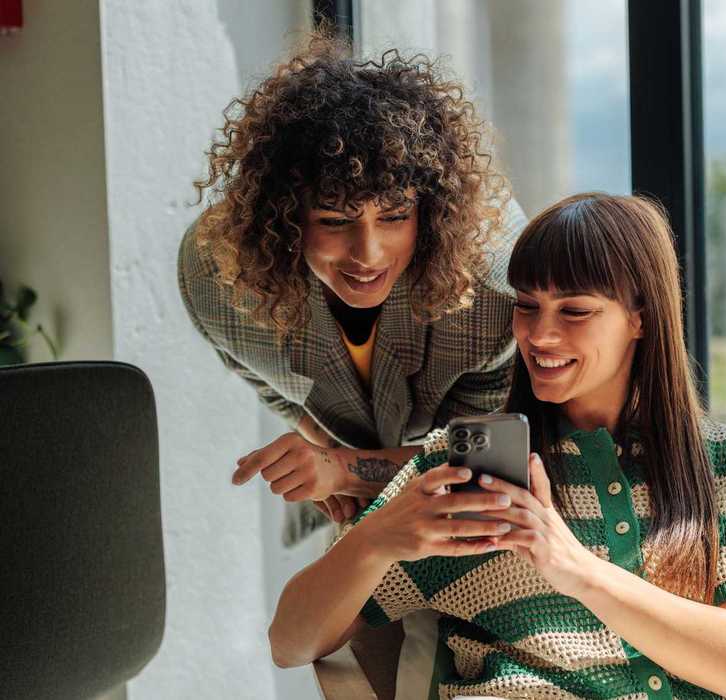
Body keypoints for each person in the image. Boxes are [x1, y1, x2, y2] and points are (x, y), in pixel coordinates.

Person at [269, 193, 726, 700]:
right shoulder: (460, 472)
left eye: (575, 311)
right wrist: (375, 539)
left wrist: (575, 569)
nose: (539, 335)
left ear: (640, 316)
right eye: (527, 305)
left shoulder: (725, 466)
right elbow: (291, 642)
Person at [179, 37, 524, 524]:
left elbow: (485, 464)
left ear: (428, 214)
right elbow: (269, 382)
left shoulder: (495, 292)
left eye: (394, 217)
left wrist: (343, 470)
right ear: (285, 217)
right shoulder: (217, 277)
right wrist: (332, 463)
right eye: (335, 222)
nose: (368, 255)